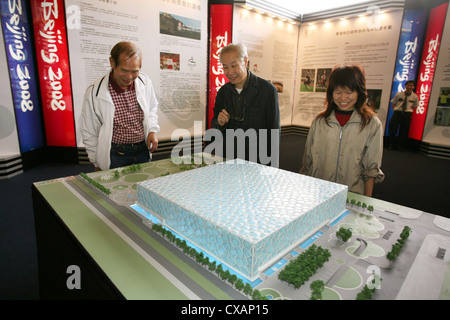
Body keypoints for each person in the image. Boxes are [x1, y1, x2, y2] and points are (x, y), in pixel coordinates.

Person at [299, 64, 384, 197]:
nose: (343, 98)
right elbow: (307, 162)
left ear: (359, 92)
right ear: (331, 92)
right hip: (317, 193)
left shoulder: (371, 124)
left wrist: (366, 202)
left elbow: (371, 170)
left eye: (349, 92)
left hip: (351, 194)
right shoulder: (320, 121)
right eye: (338, 92)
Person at [81, 41, 159, 171]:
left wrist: (152, 130)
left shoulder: (145, 81)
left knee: (144, 187)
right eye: (124, 70)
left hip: (142, 149)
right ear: (112, 62)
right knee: (115, 189)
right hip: (116, 154)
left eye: (135, 71)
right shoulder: (94, 91)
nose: (129, 77)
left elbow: (152, 108)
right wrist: (96, 162)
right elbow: (89, 131)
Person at [210, 43, 280, 166]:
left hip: (257, 161)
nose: (230, 72)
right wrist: (219, 123)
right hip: (229, 159)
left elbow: (274, 131)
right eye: (225, 67)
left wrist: (271, 168)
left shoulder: (267, 90)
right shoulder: (222, 92)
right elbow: (215, 125)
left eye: (234, 65)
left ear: (245, 61)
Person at [387, 80, 419, 150]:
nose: (409, 87)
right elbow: (393, 103)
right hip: (398, 113)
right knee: (392, 129)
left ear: (413, 87)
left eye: (411, 85)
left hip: (407, 115)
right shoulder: (399, 94)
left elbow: (414, 106)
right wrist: (395, 109)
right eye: (408, 85)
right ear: (405, 86)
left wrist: (408, 111)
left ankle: (399, 146)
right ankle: (391, 145)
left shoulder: (415, 96)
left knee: (403, 131)